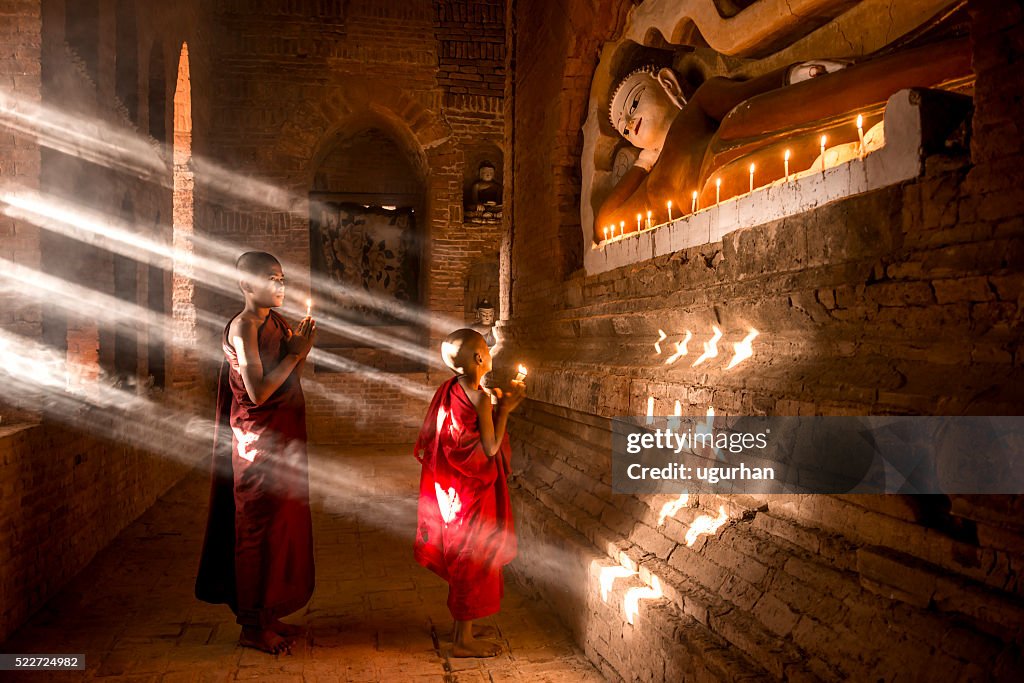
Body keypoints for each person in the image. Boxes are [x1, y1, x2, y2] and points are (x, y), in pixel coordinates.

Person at [596, 38, 971, 235]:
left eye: (633, 104)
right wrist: (644, 161)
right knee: (837, 138)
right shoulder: (650, 183)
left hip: (734, 131)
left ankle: (968, 60)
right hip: (722, 188)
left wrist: (793, 75)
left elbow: (729, 95)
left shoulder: (689, 117)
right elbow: (605, 223)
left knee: (839, 98)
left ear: (667, 83)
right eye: (623, 129)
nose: (629, 124)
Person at [195, 251, 317, 655]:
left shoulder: (276, 323)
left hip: (281, 437)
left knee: (281, 526)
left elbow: (288, 379)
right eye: (271, 278)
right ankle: (251, 625)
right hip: (257, 444)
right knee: (258, 528)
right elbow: (258, 392)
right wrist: (295, 353)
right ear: (247, 285)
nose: (280, 285)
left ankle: (268, 613)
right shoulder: (245, 327)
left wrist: (299, 350)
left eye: (282, 278)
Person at [414, 329, 526, 657]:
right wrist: (504, 411)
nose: (490, 353)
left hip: (453, 491)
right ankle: (463, 641)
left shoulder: (449, 389)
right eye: (486, 349)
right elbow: (490, 448)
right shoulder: (480, 398)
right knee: (473, 559)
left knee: (465, 555)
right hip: (473, 492)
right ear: (479, 358)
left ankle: (463, 627)